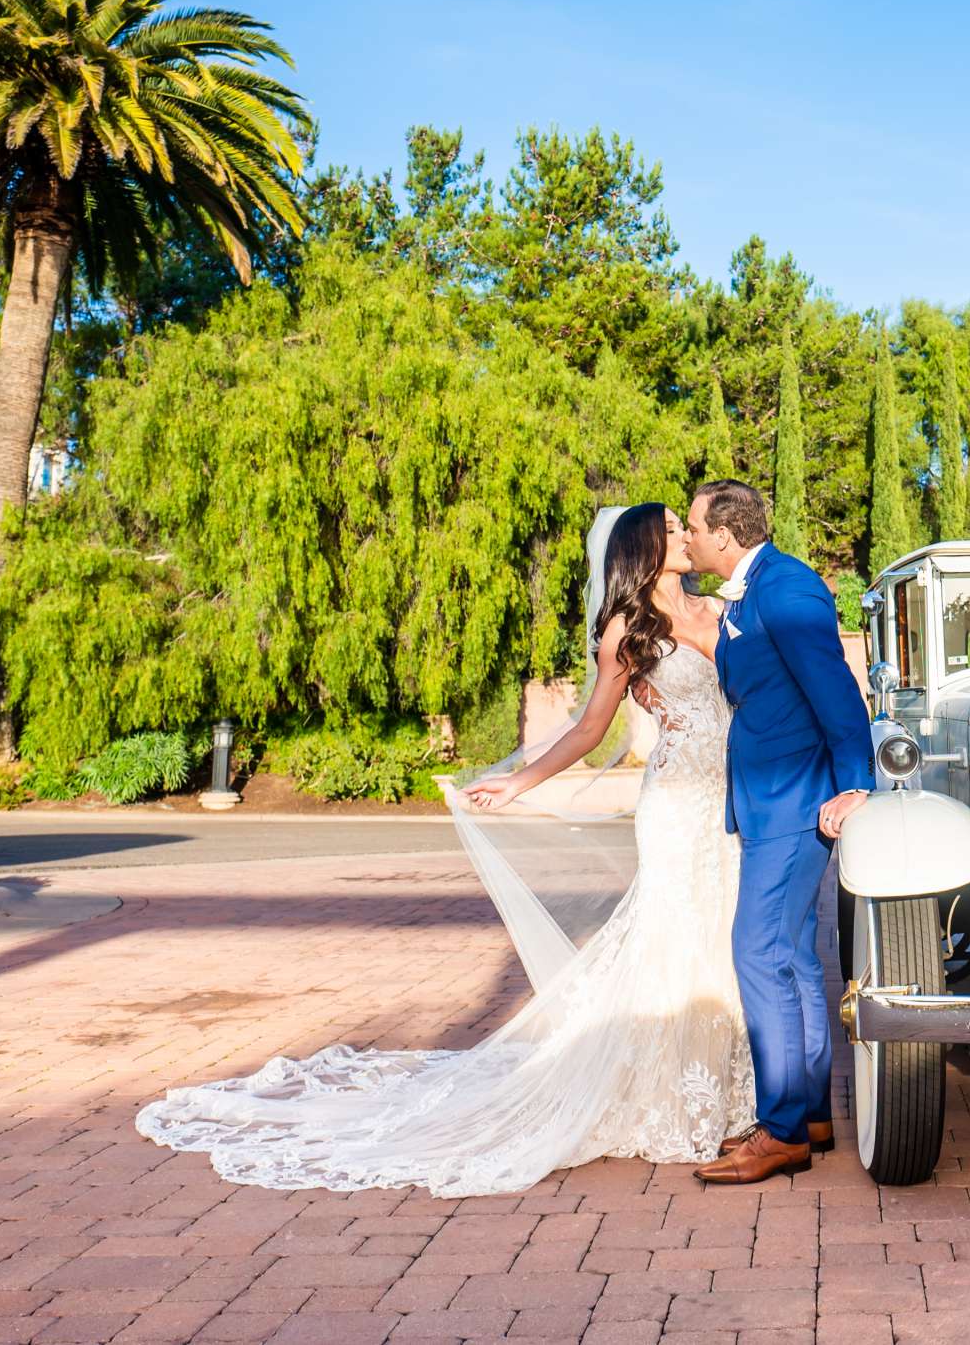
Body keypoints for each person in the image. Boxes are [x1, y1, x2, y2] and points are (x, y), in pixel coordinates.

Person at [134, 503, 755, 1196]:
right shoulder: (625, 631)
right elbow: (587, 731)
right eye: (672, 527)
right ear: (644, 545)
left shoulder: (726, 606)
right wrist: (514, 783)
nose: (686, 535)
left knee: (732, 928)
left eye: (684, 526)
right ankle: (681, 1095)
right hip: (676, 802)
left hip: (740, 789)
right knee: (681, 931)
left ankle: (737, 1086)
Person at [683, 480, 874, 1185]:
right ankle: (809, 1114)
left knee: (757, 950)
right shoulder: (753, 587)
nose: (692, 538)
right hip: (769, 800)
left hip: (793, 802)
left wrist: (854, 784)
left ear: (726, 536)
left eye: (696, 526)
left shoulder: (787, 590)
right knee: (791, 957)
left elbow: (837, 690)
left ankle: (782, 1132)